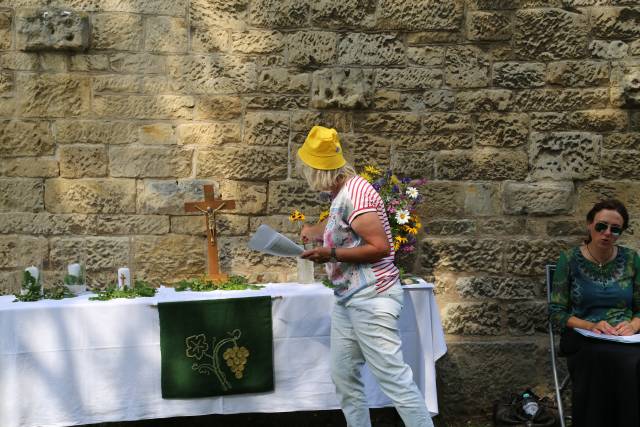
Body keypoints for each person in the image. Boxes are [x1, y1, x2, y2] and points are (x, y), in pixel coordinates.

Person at [297, 125, 433, 427]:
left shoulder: (356, 193)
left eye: (307, 170)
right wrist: (314, 232)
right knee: (344, 377)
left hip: (373, 299)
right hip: (350, 299)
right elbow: (342, 227)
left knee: (394, 379)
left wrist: (329, 254)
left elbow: (381, 247)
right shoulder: (342, 193)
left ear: (318, 170)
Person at [549, 199, 640, 427]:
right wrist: (591, 326)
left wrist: (634, 325)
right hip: (584, 334)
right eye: (601, 226)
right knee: (602, 357)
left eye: (615, 229)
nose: (607, 233)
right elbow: (556, 313)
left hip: (625, 335)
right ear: (590, 225)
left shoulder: (631, 259)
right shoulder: (569, 260)